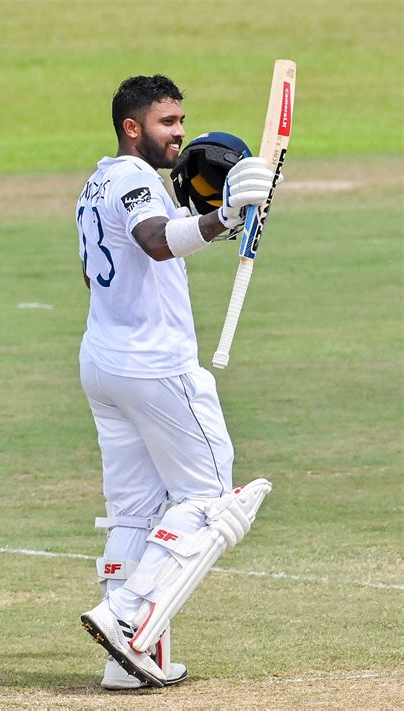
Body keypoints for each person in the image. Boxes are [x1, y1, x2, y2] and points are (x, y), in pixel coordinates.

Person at [76, 74, 274, 690]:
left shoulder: (97, 181)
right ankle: (128, 614)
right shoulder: (135, 179)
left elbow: (122, 264)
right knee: (213, 498)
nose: (180, 133)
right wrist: (228, 214)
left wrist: (209, 214)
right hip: (154, 367)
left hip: (104, 363)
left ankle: (129, 665)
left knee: (133, 513)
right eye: (167, 122)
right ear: (132, 127)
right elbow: (158, 244)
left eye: (182, 121)